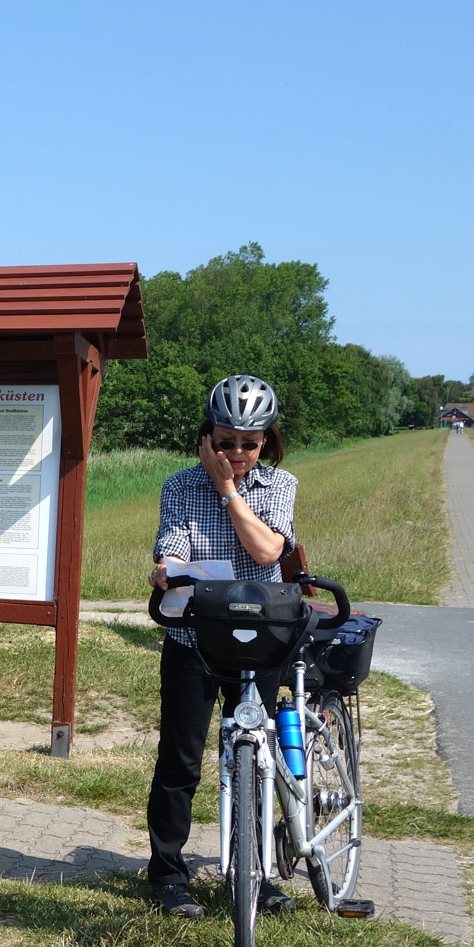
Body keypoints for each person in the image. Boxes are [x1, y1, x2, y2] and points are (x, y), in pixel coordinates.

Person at [146, 375, 299, 919]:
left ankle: (254, 874)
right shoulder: (180, 486)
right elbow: (176, 551)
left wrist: (229, 491)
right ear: (207, 437)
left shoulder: (279, 486)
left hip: (260, 644)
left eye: (248, 443)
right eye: (226, 440)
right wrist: (166, 572)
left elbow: (265, 554)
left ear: (265, 443)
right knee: (180, 761)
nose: (236, 452)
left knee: (256, 760)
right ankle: (167, 874)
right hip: (194, 638)